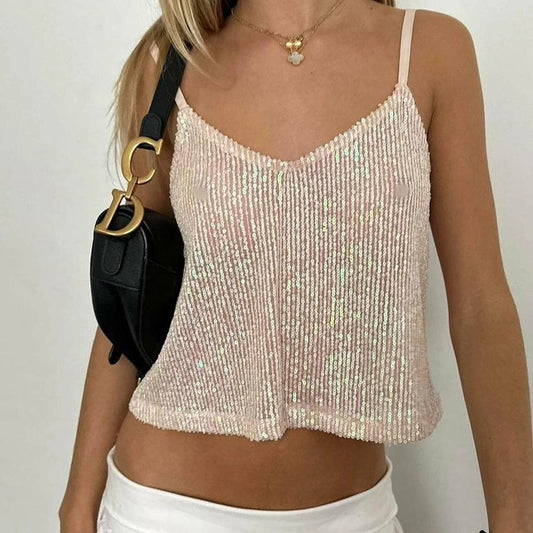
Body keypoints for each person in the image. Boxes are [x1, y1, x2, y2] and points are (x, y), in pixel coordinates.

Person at [59, 1, 533, 532]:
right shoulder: (172, 60)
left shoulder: (429, 52)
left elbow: (482, 307)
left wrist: (515, 517)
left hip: (353, 518)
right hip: (160, 512)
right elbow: (133, 295)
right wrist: (77, 505)